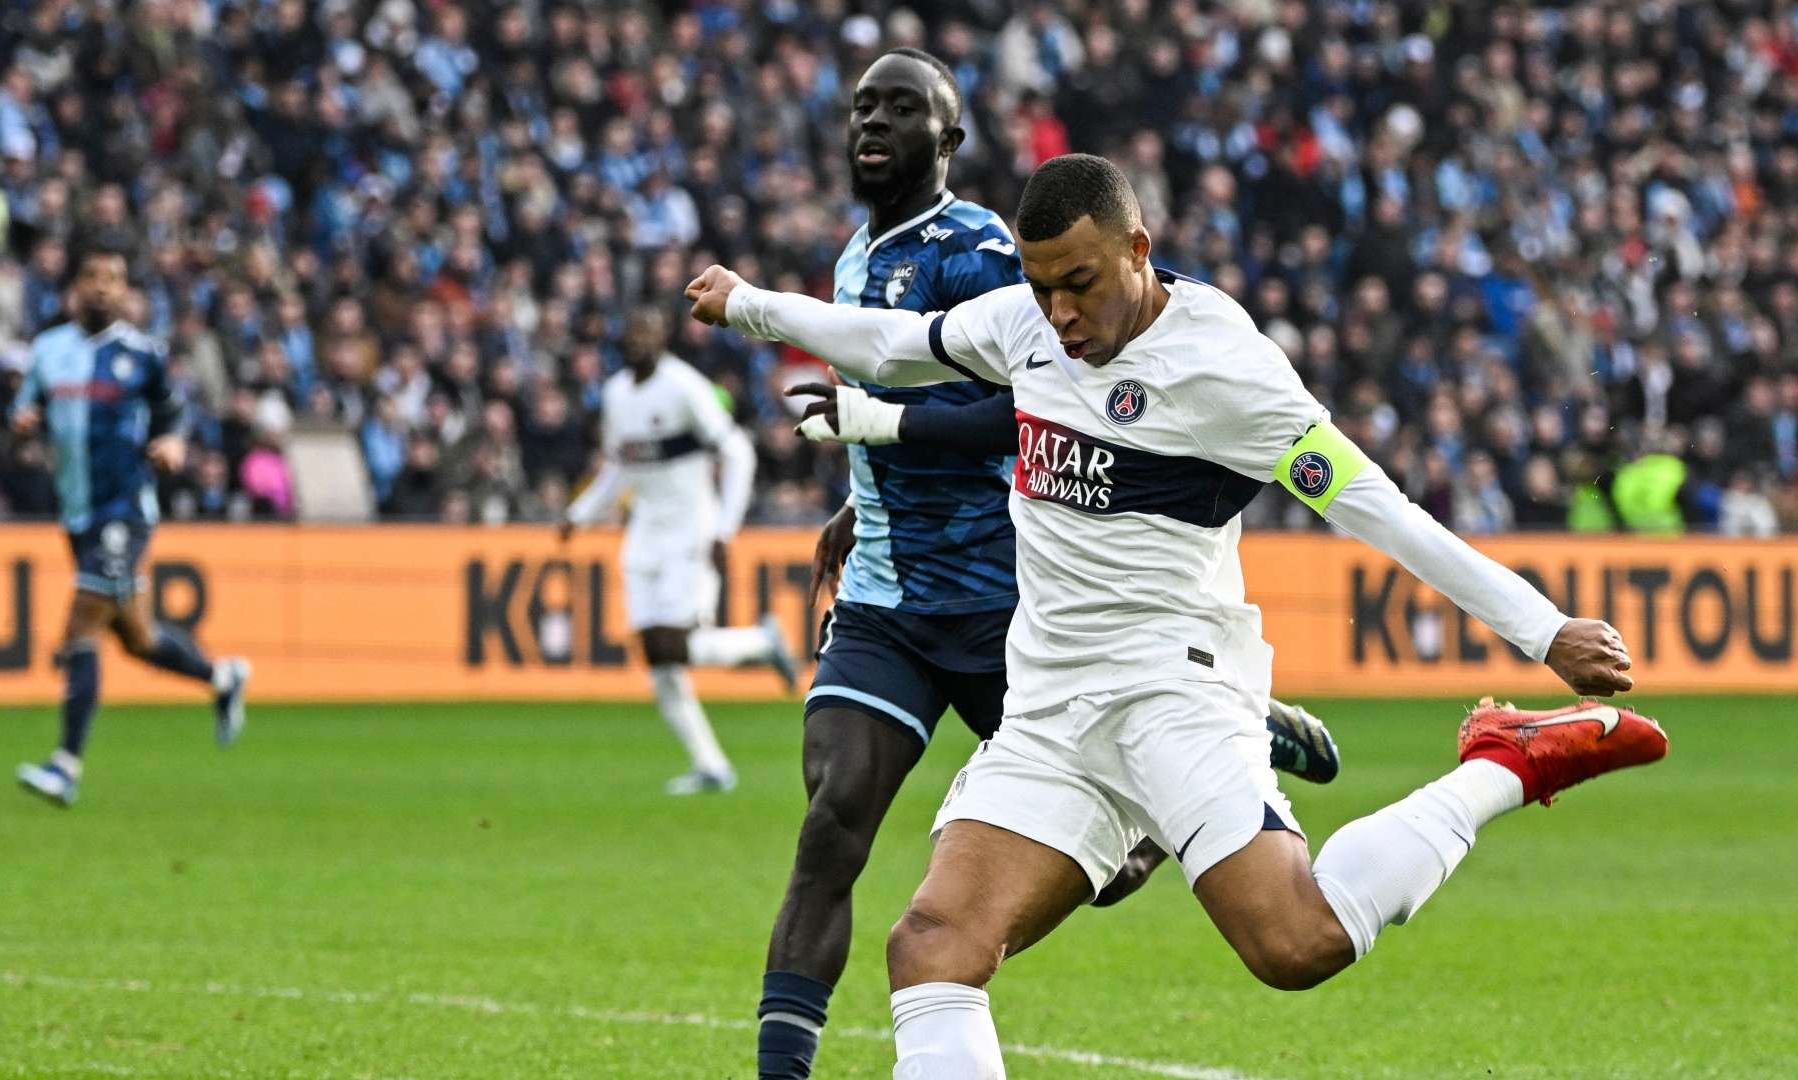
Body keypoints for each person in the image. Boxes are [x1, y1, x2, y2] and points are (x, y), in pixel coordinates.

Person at [688, 154, 1666, 1078]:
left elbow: (1381, 511)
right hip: (1049, 714)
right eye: (1040, 287)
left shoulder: (1225, 369)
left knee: (1296, 944)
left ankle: (1503, 761)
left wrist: (1544, 631)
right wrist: (753, 309)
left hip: (1174, 692)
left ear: (1139, 251)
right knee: (933, 946)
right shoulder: (1027, 326)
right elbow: (900, 348)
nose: (1061, 313)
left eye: (1080, 283)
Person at [752, 52, 1338, 1080]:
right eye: (861, 108)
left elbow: (1019, 407)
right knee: (832, 818)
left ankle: (1230, 725)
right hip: (890, 602)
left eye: (902, 108)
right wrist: (860, 494)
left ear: (952, 138)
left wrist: (883, 432)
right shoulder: (854, 257)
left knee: (1100, 873)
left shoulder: (987, 249)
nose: (872, 124)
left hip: (1006, 603)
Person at [9, 244, 250, 808]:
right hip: (77, 513)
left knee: (81, 626)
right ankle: (222, 678)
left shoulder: (143, 354)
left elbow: (175, 412)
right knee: (137, 639)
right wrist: (21, 424)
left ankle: (65, 765)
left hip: (125, 508)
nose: (102, 287)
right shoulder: (48, 351)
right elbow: (26, 410)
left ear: (125, 291)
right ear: (75, 288)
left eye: (113, 278)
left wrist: (172, 441)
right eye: (92, 276)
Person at [560, 305, 799, 796]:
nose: (639, 340)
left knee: (674, 643)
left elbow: (738, 451)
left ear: (662, 337)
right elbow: (619, 467)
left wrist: (722, 531)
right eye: (632, 331)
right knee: (656, 656)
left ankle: (761, 642)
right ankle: (710, 766)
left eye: (648, 330)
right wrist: (579, 514)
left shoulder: (685, 386)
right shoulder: (616, 395)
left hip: (691, 530)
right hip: (644, 534)